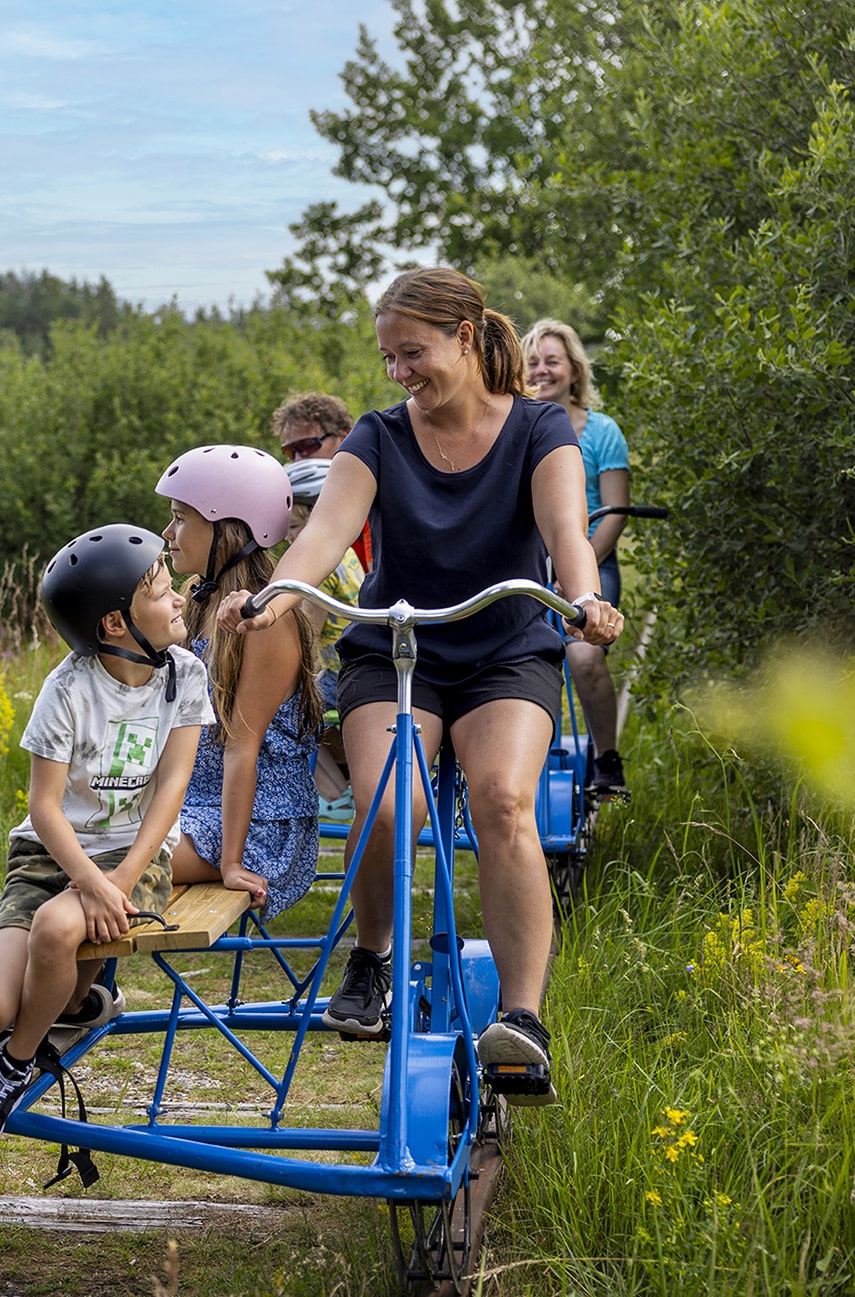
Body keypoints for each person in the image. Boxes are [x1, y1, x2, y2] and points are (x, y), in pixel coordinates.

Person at [222, 267, 624, 1106]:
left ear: (466, 337)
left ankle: (522, 1016)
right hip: (396, 648)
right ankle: (371, 955)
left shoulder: (540, 428)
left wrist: (583, 598)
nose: (400, 371)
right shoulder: (373, 437)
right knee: (388, 802)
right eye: (388, 357)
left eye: (413, 352)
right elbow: (324, 534)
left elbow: (564, 531)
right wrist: (277, 593)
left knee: (505, 803)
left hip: (505, 648)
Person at [0, 525, 213, 1152]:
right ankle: (39, 1013)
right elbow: (44, 807)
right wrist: (88, 881)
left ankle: (12, 1065)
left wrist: (120, 881)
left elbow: (173, 785)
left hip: (134, 854)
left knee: (57, 933)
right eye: (162, 591)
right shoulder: (67, 689)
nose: (178, 599)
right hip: (48, 852)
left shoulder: (184, 675)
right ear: (115, 624)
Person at [155, 445, 321, 913]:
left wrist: (231, 861)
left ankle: (90, 990)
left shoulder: (268, 622)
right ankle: (87, 990)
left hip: (255, 825)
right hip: (190, 806)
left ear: (226, 529)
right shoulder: (197, 597)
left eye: (180, 518)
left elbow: (241, 747)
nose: (168, 533)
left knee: (108, 870)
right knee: (66, 853)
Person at [523, 318, 633, 799]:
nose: (542, 371)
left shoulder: (602, 431)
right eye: (532, 363)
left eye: (552, 361)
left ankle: (608, 760)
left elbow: (616, 511)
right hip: (526, 564)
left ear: (573, 370)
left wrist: (577, 574)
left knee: (585, 657)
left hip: (592, 558)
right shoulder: (514, 425)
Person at [283, 455, 367, 822]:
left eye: (296, 527)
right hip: (353, 666)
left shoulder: (320, 570)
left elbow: (304, 645)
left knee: (273, 709)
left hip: (341, 674)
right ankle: (336, 790)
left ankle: (332, 794)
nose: (288, 538)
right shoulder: (346, 555)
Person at [273, 392, 372, 571]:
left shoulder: (374, 499)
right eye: (290, 451)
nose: (298, 459)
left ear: (344, 437)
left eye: (307, 446)